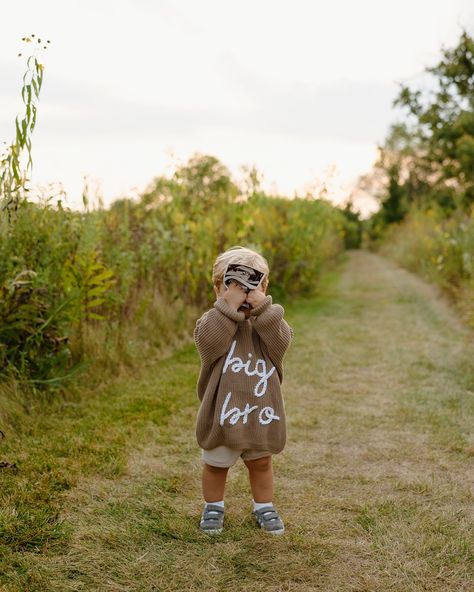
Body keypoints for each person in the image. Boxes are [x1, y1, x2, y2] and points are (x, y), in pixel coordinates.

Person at [194, 246, 293, 535]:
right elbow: (209, 343)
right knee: (215, 465)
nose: (244, 292)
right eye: (233, 284)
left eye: (252, 284)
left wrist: (262, 309)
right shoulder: (211, 322)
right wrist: (228, 308)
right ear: (217, 289)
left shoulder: (268, 323)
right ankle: (213, 506)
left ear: (264, 286)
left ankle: (264, 506)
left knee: (261, 463)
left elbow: (281, 341)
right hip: (223, 415)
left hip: (261, 414)